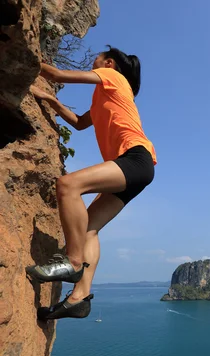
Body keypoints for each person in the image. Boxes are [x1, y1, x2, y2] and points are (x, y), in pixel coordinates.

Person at [26, 46, 157, 320]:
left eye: (96, 59)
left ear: (109, 63)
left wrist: (24, 56)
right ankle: (79, 298)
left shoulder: (114, 78)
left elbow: (58, 73)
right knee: (89, 230)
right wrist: (49, 99)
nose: (93, 63)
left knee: (68, 185)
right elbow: (78, 122)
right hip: (135, 169)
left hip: (134, 159)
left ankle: (72, 262)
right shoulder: (103, 99)